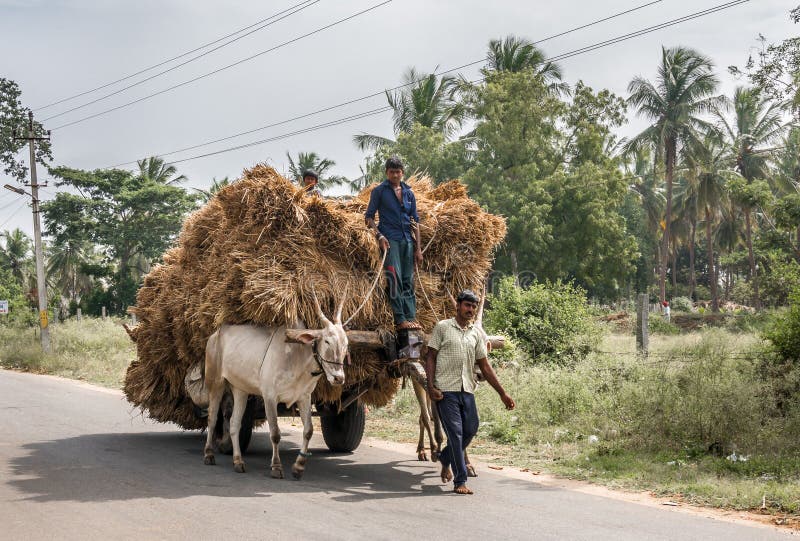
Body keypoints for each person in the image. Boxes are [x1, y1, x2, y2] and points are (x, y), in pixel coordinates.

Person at [425, 289, 515, 495]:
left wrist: (502, 393)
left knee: (471, 429)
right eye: (467, 305)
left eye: (474, 306)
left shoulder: (475, 333)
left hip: (467, 390)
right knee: (456, 434)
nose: (471, 310)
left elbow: (484, 366)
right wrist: (431, 386)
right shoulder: (443, 328)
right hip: (445, 391)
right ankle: (460, 480)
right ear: (458, 306)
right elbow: (430, 357)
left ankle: (445, 457)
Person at [364, 156, 423, 330]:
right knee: (394, 277)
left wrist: (418, 249)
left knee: (408, 280)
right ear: (387, 173)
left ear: (402, 173)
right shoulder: (379, 191)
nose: (395, 175)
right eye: (392, 172)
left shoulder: (409, 193)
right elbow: (369, 217)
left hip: (407, 241)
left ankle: (411, 317)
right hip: (390, 240)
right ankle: (400, 319)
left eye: (398, 172)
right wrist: (379, 235)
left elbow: (416, 222)